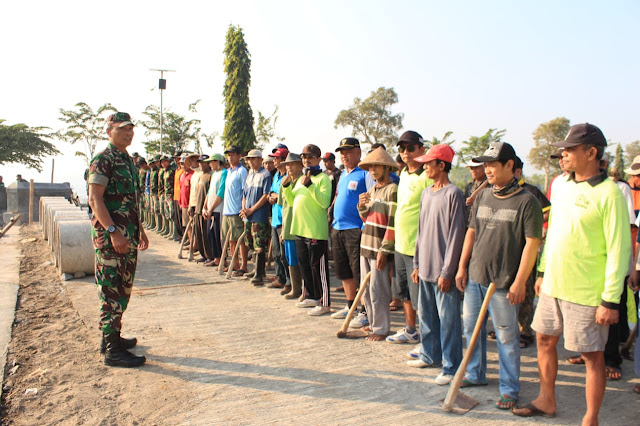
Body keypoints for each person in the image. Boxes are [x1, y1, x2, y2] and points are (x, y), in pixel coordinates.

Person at [513, 123, 631, 424]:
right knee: (543, 340)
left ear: (591, 153)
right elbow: (552, 233)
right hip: (553, 285)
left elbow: (619, 250)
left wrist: (610, 301)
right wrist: (541, 272)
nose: (563, 154)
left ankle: (590, 418)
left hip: (588, 293)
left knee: (593, 356)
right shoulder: (561, 186)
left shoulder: (611, 194)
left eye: (569, 149)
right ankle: (546, 400)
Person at [455, 141, 542, 410]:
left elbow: (532, 244)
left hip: (504, 283)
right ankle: (475, 374)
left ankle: (509, 389)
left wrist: (519, 281)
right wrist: (462, 266)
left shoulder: (527, 200)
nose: (488, 169)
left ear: (510, 166)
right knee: (471, 329)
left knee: (506, 337)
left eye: (493, 164)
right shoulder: (482, 195)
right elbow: (471, 232)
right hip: (476, 277)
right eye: (486, 164)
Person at [87, 112, 148, 368]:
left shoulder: (127, 160)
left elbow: (130, 202)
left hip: (127, 237)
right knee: (111, 291)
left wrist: (140, 228)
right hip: (111, 239)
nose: (129, 133)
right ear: (109, 131)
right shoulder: (104, 159)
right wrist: (113, 231)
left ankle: (111, 337)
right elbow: (94, 200)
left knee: (122, 289)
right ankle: (112, 351)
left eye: (131, 129)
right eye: (123, 129)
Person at [409, 144, 465, 385]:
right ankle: (429, 355)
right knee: (427, 316)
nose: (425, 167)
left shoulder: (454, 194)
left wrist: (448, 271)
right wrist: (416, 262)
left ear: (442, 165)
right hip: (425, 267)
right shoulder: (426, 193)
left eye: (429, 163)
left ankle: (451, 367)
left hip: (443, 271)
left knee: (449, 321)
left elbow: (456, 235)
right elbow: (421, 230)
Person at [387, 131, 431, 347]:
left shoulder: (427, 175)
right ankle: (411, 330)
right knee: (403, 291)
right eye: (402, 149)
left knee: (420, 297)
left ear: (421, 149)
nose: (406, 152)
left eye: (410, 148)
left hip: (417, 246)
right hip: (400, 244)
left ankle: (428, 337)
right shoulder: (403, 173)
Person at [282, 144, 332, 316]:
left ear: (318, 159)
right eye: (304, 157)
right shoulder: (302, 177)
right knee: (305, 266)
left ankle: (324, 301)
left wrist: (310, 185)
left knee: (318, 268)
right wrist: (287, 187)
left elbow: (325, 202)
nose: (306, 160)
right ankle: (311, 295)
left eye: (310, 157)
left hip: (315, 230)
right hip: (299, 229)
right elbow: (291, 201)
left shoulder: (323, 178)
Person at [356, 147, 398, 341]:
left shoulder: (392, 190)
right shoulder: (371, 189)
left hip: (380, 247)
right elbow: (366, 218)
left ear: (385, 168)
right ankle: (373, 324)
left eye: (376, 167)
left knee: (378, 289)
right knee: (365, 289)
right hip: (366, 244)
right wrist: (361, 206)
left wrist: (385, 250)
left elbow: (393, 222)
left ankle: (381, 328)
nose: (372, 170)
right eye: (370, 167)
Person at [512, 157, 551, 349]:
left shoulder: (531, 191)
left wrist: (530, 221)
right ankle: (508, 327)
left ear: (517, 171)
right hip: (508, 250)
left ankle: (525, 330)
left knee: (525, 291)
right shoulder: (499, 191)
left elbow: (547, 211)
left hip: (526, 248)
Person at [329, 138, 368, 322]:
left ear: (358, 152)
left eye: (348, 151)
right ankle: (349, 304)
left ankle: (364, 310)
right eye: (342, 152)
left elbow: (371, 199)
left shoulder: (364, 174)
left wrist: (364, 226)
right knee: (343, 271)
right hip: (338, 228)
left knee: (358, 272)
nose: (344, 155)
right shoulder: (342, 175)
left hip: (355, 229)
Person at [240, 149, 272, 285]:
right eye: (249, 159)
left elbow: (265, 195)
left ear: (260, 160)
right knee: (251, 242)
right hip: (248, 215)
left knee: (260, 244)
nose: (250, 162)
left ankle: (259, 274)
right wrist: (244, 209)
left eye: (253, 159)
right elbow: (244, 195)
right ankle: (256, 270)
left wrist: (252, 209)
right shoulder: (249, 175)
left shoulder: (265, 175)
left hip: (259, 215)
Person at [279, 153, 304, 300]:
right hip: (288, 226)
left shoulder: (303, 181)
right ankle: (296, 288)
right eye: (287, 164)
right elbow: (284, 208)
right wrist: (283, 229)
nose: (289, 167)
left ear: (300, 166)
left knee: (301, 259)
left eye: (292, 164)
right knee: (290, 259)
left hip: (300, 227)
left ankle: (303, 289)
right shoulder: (285, 182)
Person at [222, 145, 249, 275]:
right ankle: (235, 264)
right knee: (231, 240)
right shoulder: (228, 171)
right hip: (227, 210)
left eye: (233, 154)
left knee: (240, 240)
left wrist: (243, 210)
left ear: (239, 156)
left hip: (236, 211)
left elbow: (245, 191)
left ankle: (243, 266)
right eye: (228, 155)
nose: (230, 157)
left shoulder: (242, 171)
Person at [267, 147, 290, 290]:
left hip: (284, 219)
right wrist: (271, 196)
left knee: (284, 254)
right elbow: (271, 192)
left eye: (276, 158)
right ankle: (280, 278)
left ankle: (289, 280)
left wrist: (276, 196)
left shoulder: (288, 176)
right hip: (275, 218)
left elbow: (285, 196)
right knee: (276, 252)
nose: (274, 161)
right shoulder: (275, 175)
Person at [202, 154, 227, 267]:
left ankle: (222, 258)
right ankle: (216, 257)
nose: (210, 164)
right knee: (210, 234)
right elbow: (209, 192)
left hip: (218, 209)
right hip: (210, 210)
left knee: (218, 235)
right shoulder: (214, 174)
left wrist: (211, 209)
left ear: (218, 162)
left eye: (211, 162)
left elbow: (220, 193)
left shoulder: (224, 173)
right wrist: (204, 207)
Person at [191, 155, 213, 263]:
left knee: (206, 233)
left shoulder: (211, 175)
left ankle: (210, 255)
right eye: (199, 162)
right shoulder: (200, 176)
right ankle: (203, 254)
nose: (201, 164)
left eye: (203, 162)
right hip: (197, 208)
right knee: (198, 232)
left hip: (206, 209)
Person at [178, 154, 195, 248]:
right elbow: (181, 189)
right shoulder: (182, 175)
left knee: (192, 226)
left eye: (184, 163)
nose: (183, 165)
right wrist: (180, 202)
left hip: (190, 204)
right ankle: (191, 243)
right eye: (181, 164)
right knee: (187, 226)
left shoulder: (193, 174)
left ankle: (195, 244)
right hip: (183, 204)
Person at [463, 160, 487, 225]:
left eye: (476, 167)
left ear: (484, 167)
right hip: (468, 222)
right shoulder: (469, 187)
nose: (473, 170)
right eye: (471, 168)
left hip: (482, 223)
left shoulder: (490, 186)